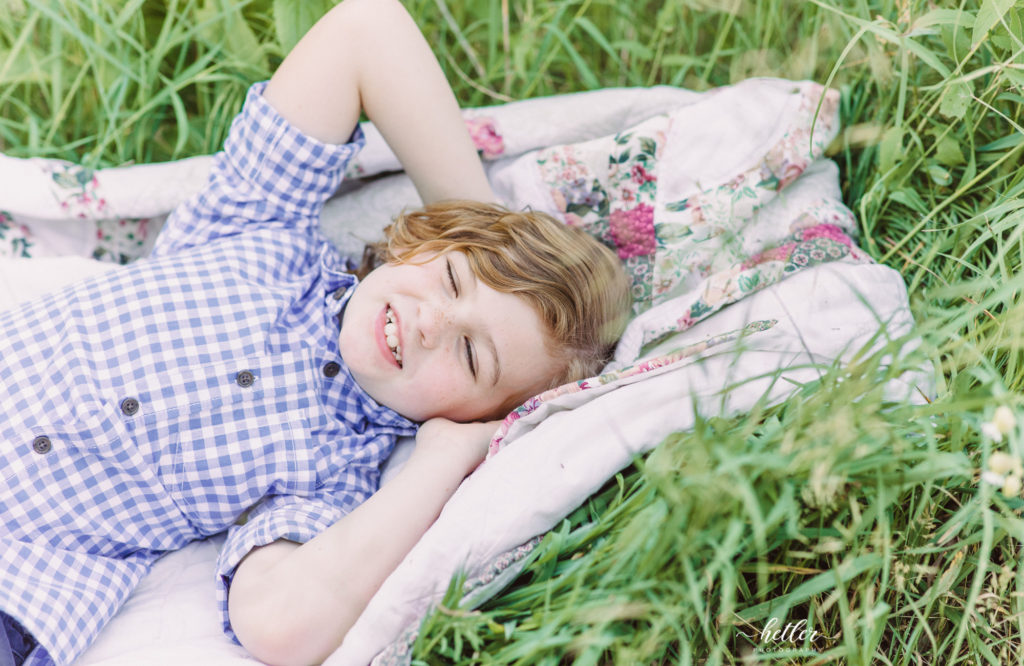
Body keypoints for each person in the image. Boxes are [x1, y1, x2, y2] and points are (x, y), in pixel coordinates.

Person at [0, 0, 631, 665]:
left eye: (471, 354)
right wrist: (477, 221)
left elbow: (281, 626)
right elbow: (368, 30)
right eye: (450, 280)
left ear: (480, 414)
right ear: (425, 242)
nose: (431, 321)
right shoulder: (259, 233)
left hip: (20, 566)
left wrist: (444, 459)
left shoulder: (334, 475)